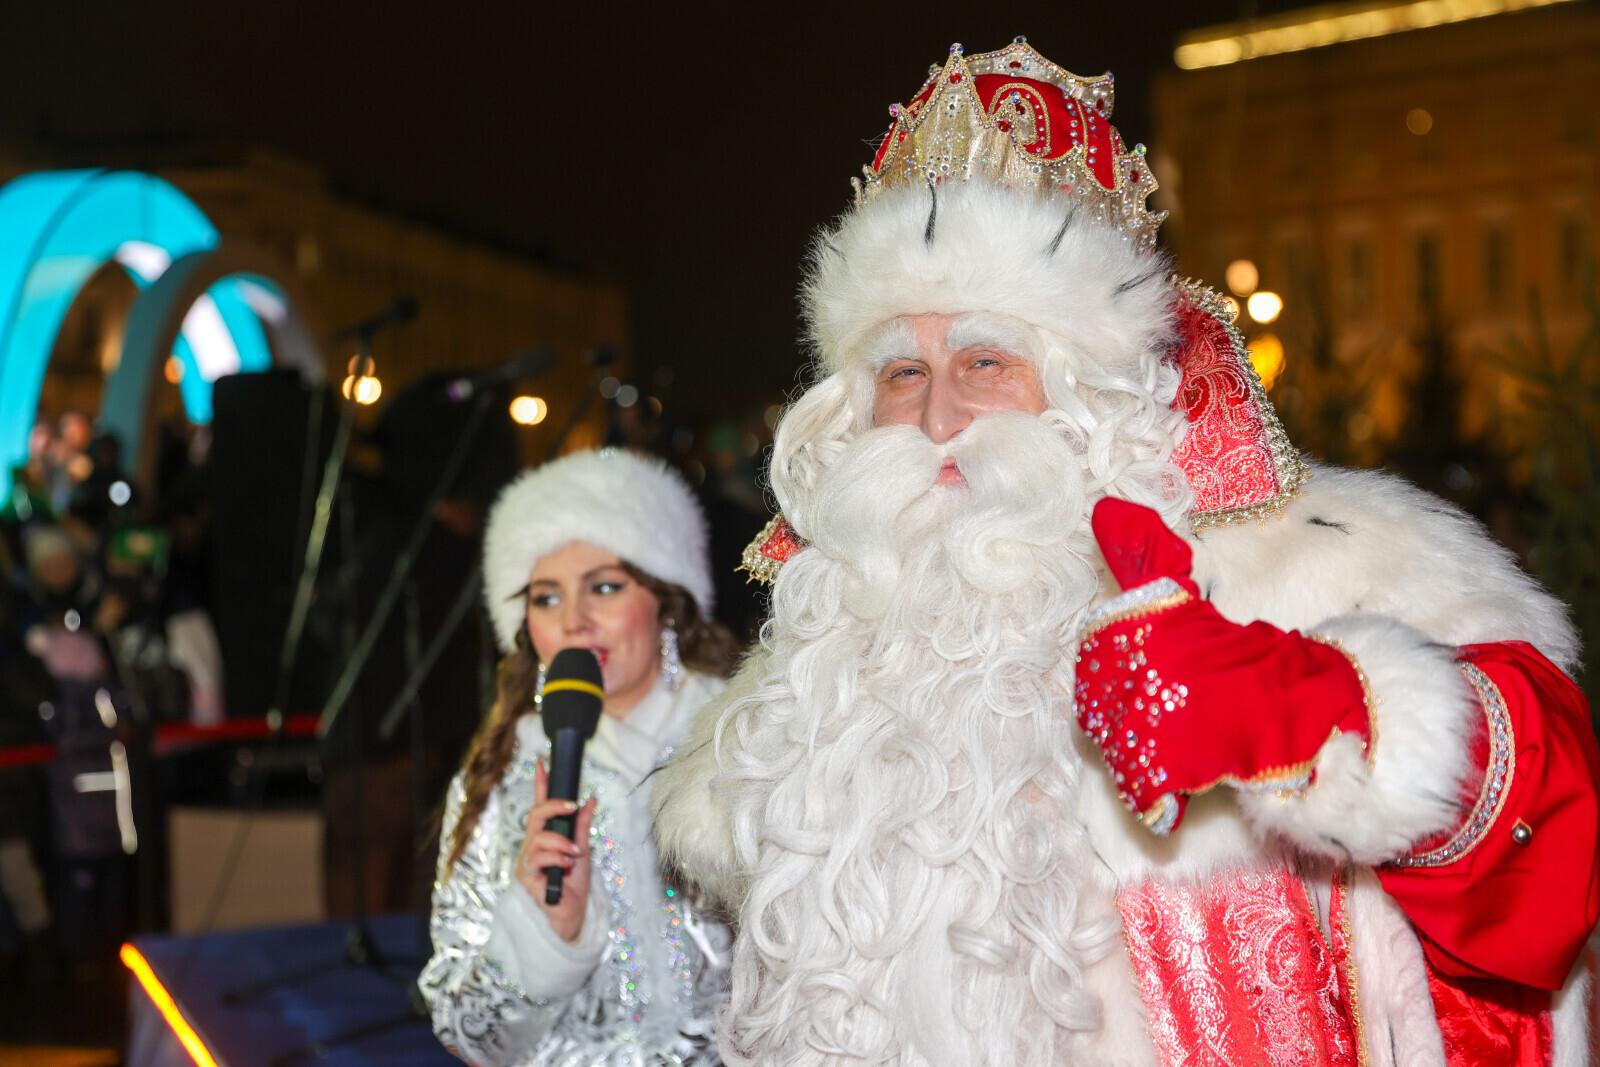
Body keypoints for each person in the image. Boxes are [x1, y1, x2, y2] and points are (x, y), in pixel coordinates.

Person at [652, 37, 1600, 1067]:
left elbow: (1552, 842)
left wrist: (1312, 707)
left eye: (984, 360)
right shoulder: (802, 691)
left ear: (1088, 387)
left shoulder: (1313, 565)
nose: (936, 418)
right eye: (900, 372)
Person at [420, 448, 739, 1066]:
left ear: (666, 601)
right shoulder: (504, 774)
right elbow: (467, 1033)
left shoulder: (746, 743)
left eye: (604, 587)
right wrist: (544, 935)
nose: (574, 621)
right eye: (546, 598)